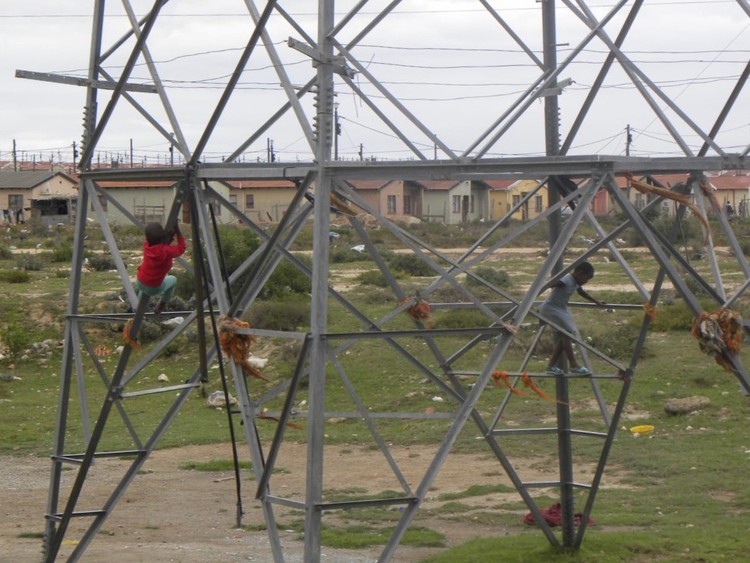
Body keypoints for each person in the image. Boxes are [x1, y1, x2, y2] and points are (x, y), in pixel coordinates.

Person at [539, 261, 605, 375]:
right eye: (586, 278)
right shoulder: (567, 279)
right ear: (580, 273)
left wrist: (597, 302)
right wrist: (542, 286)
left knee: (565, 337)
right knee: (568, 333)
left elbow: (582, 293)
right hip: (551, 308)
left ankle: (550, 366)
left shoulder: (575, 282)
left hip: (561, 309)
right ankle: (573, 365)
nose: (586, 282)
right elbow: (554, 283)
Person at [135, 222, 186, 314]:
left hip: (140, 281)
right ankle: (162, 304)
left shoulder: (146, 246)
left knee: (145, 287)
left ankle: (138, 306)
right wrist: (178, 232)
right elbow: (181, 248)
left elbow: (158, 247)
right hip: (154, 288)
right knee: (173, 279)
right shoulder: (166, 251)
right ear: (163, 237)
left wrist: (167, 239)